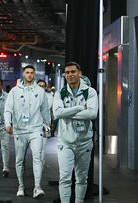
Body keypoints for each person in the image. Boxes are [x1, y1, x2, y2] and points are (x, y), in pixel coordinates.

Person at [53, 62, 98, 203]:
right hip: (65, 142)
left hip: (84, 142)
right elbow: (57, 113)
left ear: (79, 73)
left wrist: (67, 114)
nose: (70, 75)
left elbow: (92, 114)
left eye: (73, 72)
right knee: (65, 177)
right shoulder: (60, 93)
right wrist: (79, 108)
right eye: (67, 72)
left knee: (82, 178)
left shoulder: (90, 91)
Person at [4, 65, 50, 198]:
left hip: (36, 129)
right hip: (19, 130)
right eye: (27, 72)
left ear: (34, 75)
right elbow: (8, 109)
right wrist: (8, 123)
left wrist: (47, 126)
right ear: (23, 74)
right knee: (19, 160)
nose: (30, 75)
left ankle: (37, 187)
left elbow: (45, 110)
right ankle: (21, 186)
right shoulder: (14, 91)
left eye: (32, 73)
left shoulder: (40, 91)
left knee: (37, 158)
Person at [37, 79, 53, 164]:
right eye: (39, 86)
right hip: (34, 125)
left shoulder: (50, 97)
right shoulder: (31, 96)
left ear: (45, 87)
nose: (41, 88)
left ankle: (41, 163)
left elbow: (52, 109)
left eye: (43, 86)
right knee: (36, 148)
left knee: (43, 146)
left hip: (46, 125)